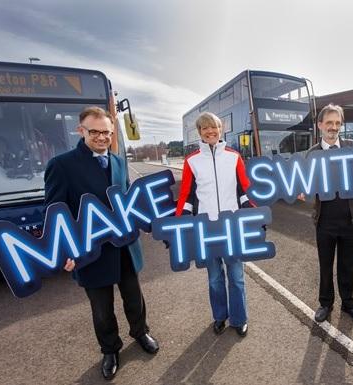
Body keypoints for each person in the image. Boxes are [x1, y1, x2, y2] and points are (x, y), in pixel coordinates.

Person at [44, 106, 158, 381]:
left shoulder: (119, 161)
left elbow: (127, 198)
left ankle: (140, 332)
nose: (102, 137)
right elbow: (55, 211)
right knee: (102, 308)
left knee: (134, 298)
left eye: (106, 132)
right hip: (91, 252)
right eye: (94, 131)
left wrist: (140, 221)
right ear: (80, 130)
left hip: (126, 247)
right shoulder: (61, 165)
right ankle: (110, 349)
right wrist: (65, 249)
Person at [175, 112, 252, 337]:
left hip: (232, 228)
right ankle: (220, 316)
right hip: (205, 229)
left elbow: (243, 190)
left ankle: (239, 319)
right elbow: (187, 195)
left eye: (214, 127)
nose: (210, 131)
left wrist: (255, 216)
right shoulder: (192, 160)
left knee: (236, 277)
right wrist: (179, 227)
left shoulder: (234, 156)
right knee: (215, 278)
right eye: (205, 128)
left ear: (221, 129)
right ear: (199, 132)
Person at [307, 104, 353, 324]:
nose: (333, 127)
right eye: (329, 123)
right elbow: (305, 184)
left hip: (351, 219)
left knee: (348, 265)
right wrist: (299, 190)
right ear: (320, 125)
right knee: (325, 266)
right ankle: (325, 303)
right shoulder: (312, 153)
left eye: (337, 123)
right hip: (324, 221)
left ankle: (349, 303)